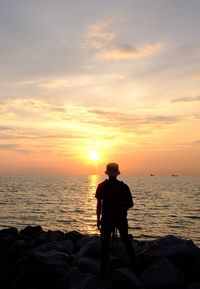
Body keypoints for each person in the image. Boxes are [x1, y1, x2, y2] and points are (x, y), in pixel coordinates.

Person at [95, 162, 136, 274]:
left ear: (107, 173)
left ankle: (103, 269)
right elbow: (130, 204)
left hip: (108, 219)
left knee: (105, 244)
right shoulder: (123, 187)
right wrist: (122, 208)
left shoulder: (101, 186)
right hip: (120, 218)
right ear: (117, 173)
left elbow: (99, 205)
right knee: (126, 241)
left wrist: (98, 220)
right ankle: (134, 264)